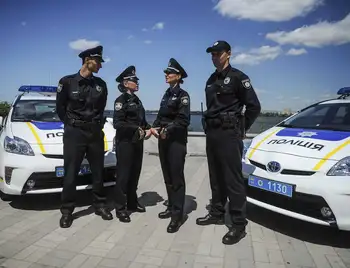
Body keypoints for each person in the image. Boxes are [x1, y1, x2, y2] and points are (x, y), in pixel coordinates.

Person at [196, 40, 261, 245]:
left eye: (218, 53)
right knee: (216, 177)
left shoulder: (239, 78)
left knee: (232, 180)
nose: (214, 56)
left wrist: (240, 129)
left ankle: (238, 224)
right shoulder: (210, 79)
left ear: (228, 54)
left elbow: (254, 107)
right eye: (212, 54)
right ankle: (216, 213)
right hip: (213, 133)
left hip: (229, 133)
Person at [56, 45, 113, 228]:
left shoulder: (101, 85)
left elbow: (101, 109)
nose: (101, 66)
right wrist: (72, 125)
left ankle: (100, 205)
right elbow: (60, 109)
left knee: (98, 173)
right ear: (87, 60)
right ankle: (67, 211)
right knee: (71, 174)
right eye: (98, 62)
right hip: (75, 133)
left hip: (95, 133)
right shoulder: (67, 82)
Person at [151, 58, 190, 233]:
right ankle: (171, 205)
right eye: (166, 73)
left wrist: (168, 129)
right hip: (163, 140)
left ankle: (178, 215)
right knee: (167, 176)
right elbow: (160, 116)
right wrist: (154, 127)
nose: (166, 75)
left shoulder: (183, 95)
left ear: (178, 76)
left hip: (176, 142)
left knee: (176, 177)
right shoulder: (166, 95)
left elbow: (183, 120)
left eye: (170, 73)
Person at [113, 65, 152, 223]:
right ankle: (121, 208)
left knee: (135, 174)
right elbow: (118, 123)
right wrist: (136, 128)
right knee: (123, 176)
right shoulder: (120, 101)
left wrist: (150, 128)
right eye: (134, 80)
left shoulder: (137, 101)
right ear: (126, 82)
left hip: (137, 143)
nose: (137, 82)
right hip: (125, 143)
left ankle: (132, 202)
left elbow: (142, 122)